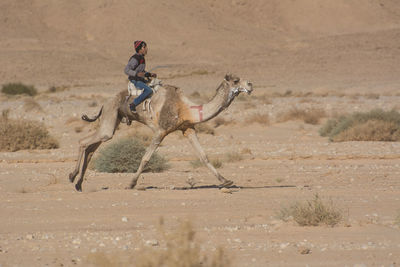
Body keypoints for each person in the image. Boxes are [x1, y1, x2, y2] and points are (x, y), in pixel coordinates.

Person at [124, 40, 157, 113]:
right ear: (140, 49)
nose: (146, 49)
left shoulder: (142, 58)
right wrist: (136, 74)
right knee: (149, 90)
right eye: (144, 47)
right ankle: (133, 104)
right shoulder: (135, 58)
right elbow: (126, 70)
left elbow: (141, 71)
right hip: (135, 80)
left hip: (140, 78)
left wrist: (149, 74)